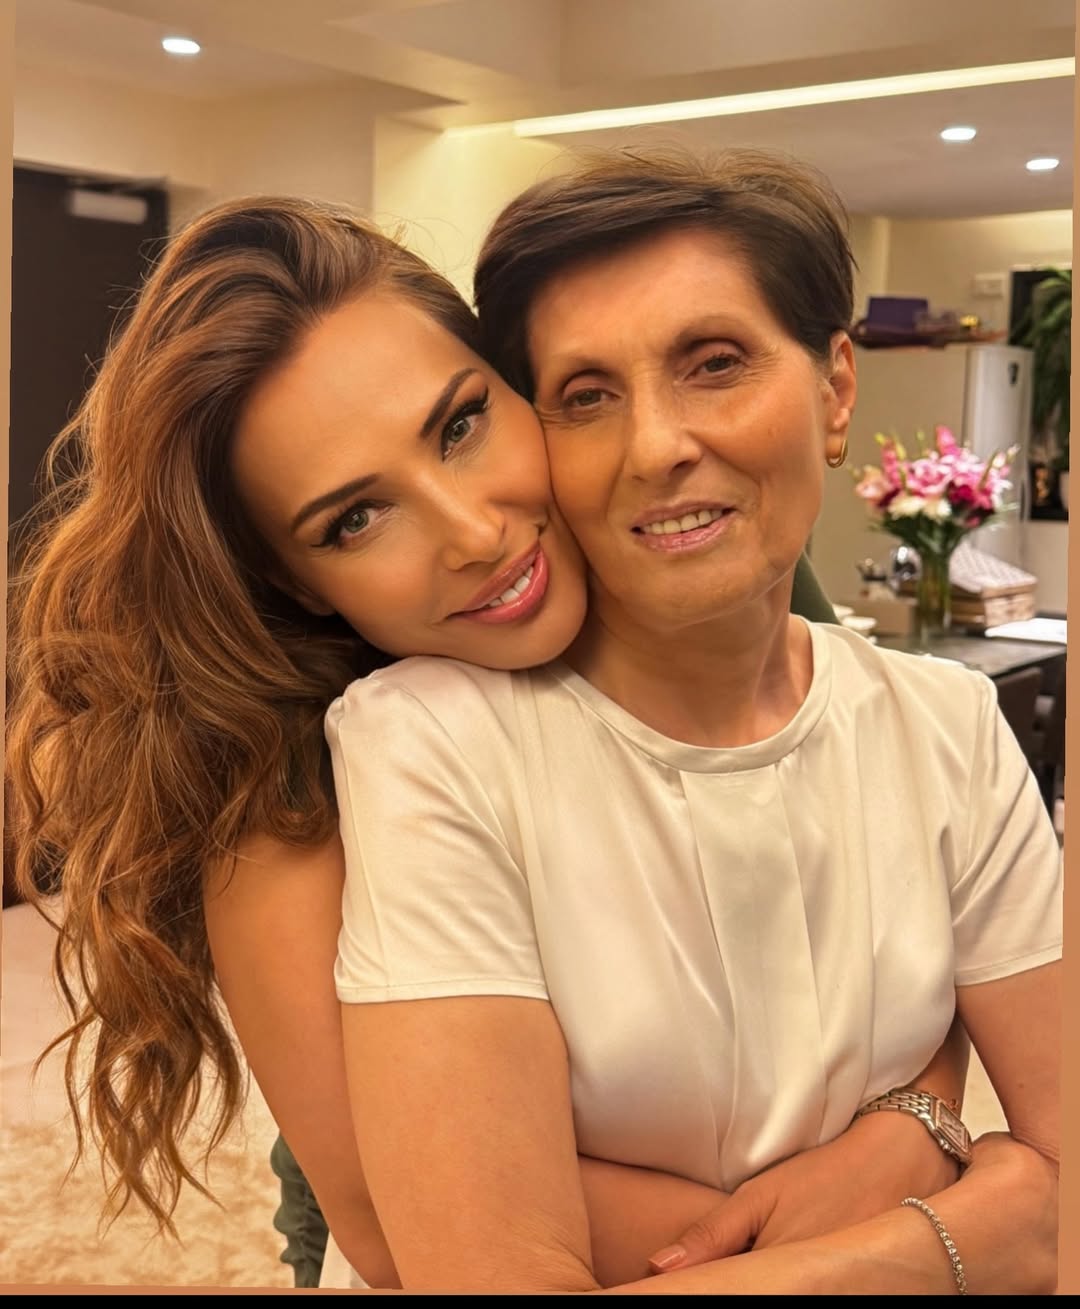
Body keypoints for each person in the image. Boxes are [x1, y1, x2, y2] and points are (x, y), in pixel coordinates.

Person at [5, 191, 965, 1293]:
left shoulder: (709, 558)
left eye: (460, 425)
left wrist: (915, 1119)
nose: (473, 534)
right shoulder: (282, 782)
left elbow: (898, 905)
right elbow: (388, 1222)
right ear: (291, 578)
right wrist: (921, 1231)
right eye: (355, 518)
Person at [325, 147, 1062, 1294]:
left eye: (714, 365)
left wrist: (930, 1137)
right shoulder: (434, 741)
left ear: (836, 389)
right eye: (586, 396)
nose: (657, 446)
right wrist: (959, 1240)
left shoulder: (947, 724)